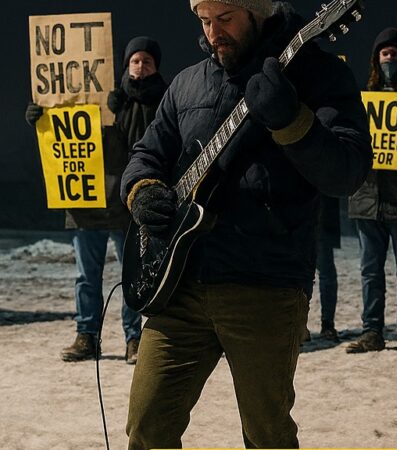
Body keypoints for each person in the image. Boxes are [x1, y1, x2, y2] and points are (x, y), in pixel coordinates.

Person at [120, 1, 371, 448]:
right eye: (203, 19)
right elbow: (147, 153)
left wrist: (291, 121)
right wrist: (140, 189)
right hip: (179, 285)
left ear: (260, 10)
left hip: (265, 285)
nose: (213, 32)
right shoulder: (188, 81)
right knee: (146, 427)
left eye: (226, 17)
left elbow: (347, 173)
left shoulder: (317, 74)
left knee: (266, 435)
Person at [21, 35, 169, 365]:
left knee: (131, 272)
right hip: (85, 198)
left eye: (147, 61)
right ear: (125, 65)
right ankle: (87, 335)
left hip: (123, 201)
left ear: (156, 65)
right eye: (135, 61)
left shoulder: (160, 100)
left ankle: (134, 338)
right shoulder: (100, 99)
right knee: (87, 275)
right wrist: (42, 119)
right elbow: (65, 131)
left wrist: (122, 111)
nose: (141, 67)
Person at [346, 27, 397, 355]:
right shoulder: (363, 96)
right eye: (384, 53)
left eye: (394, 52)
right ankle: (372, 330)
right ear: (376, 59)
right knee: (369, 269)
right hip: (367, 196)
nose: (389, 57)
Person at [315, 194, 341, 341]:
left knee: (326, 272)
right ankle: (327, 324)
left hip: (320, 212)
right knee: (326, 273)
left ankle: (327, 323)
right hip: (316, 211)